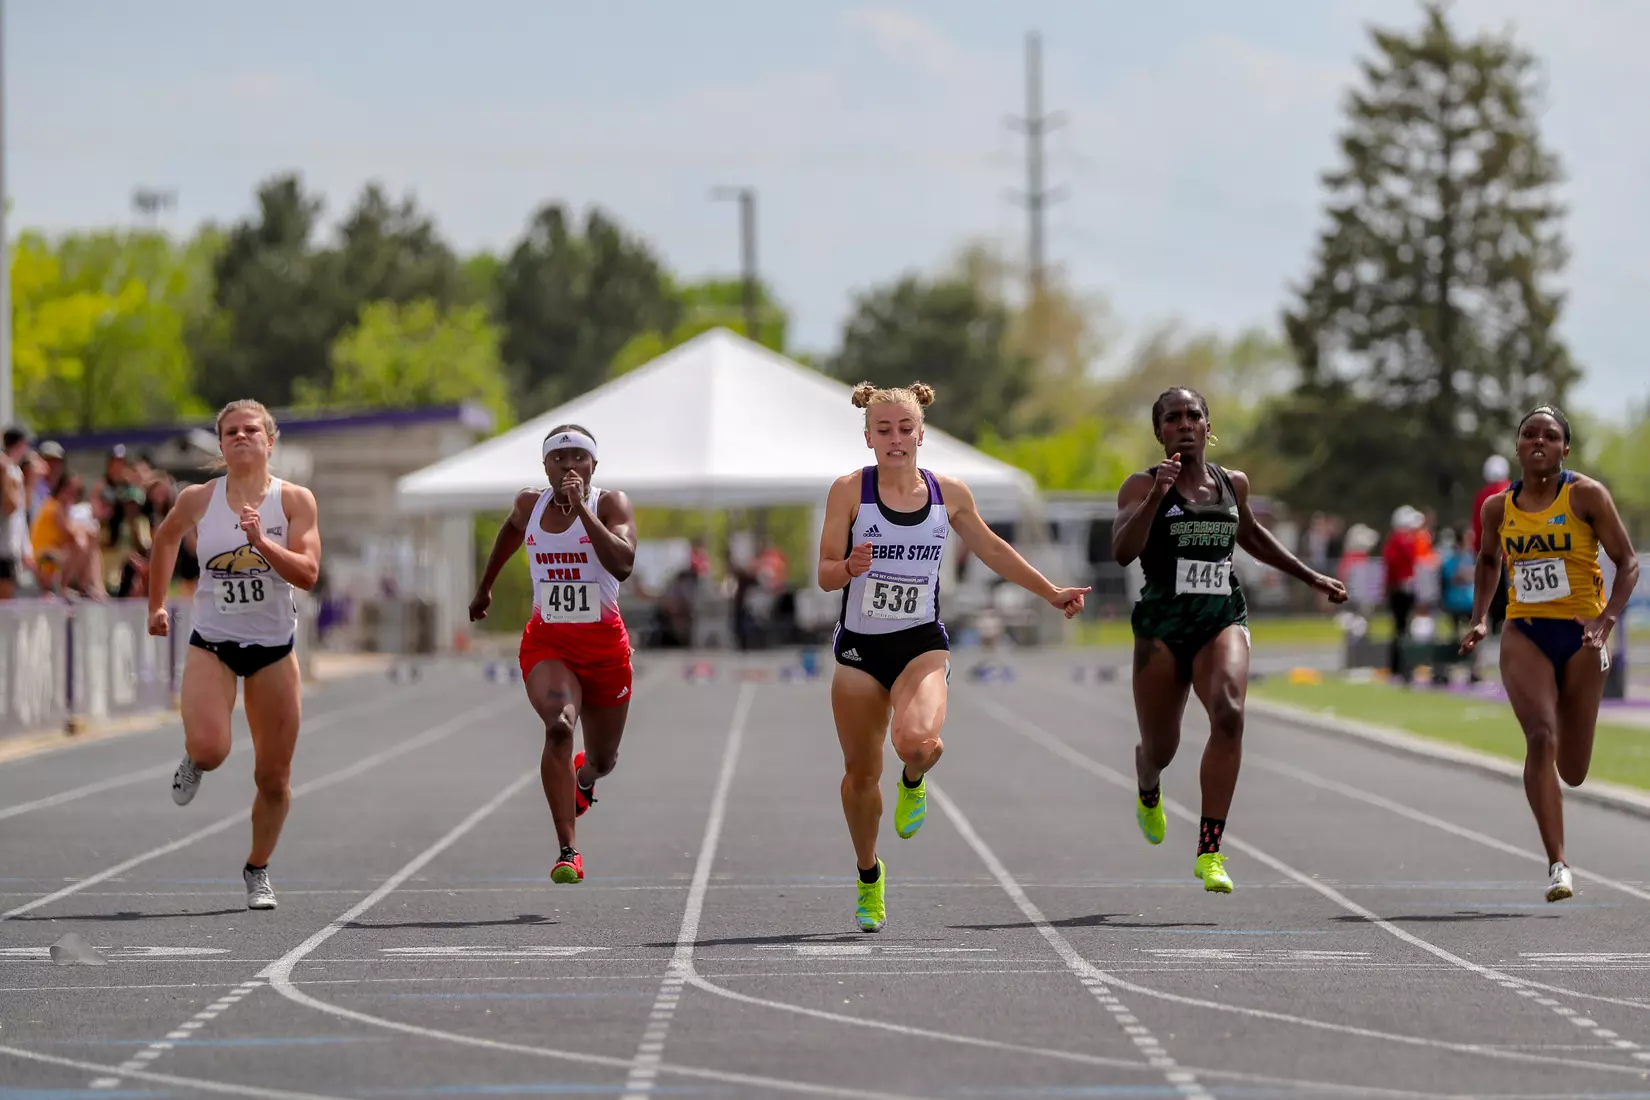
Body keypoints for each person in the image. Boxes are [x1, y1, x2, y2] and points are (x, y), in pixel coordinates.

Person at [819, 381, 1089, 933]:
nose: (896, 439)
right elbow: (823, 573)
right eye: (884, 430)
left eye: (905, 429)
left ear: (921, 433)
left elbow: (993, 549)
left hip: (920, 643)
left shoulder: (950, 494)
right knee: (860, 774)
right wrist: (847, 567)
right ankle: (869, 874)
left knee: (919, 745)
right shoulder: (849, 491)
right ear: (867, 437)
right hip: (859, 648)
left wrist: (1050, 591)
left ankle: (913, 781)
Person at [1112, 388, 1347, 894]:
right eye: (1172, 418)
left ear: (1207, 425)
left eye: (1193, 415)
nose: (1184, 423)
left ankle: (1210, 850)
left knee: (1230, 711)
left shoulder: (1230, 483)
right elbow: (1122, 551)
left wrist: (1312, 577)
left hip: (1221, 616)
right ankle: (1147, 782)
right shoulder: (1141, 485)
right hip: (1161, 625)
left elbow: (1254, 536)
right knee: (1162, 746)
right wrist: (1157, 496)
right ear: (1159, 432)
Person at [146, 400, 321, 911]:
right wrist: (156, 606)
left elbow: (308, 574)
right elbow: (163, 540)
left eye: (251, 430)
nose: (241, 437)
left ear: (270, 441)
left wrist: (261, 542)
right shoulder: (200, 498)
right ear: (220, 445)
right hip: (213, 645)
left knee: (274, 777)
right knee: (210, 749)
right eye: (231, 432)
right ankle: (193, 761)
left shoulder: (294, 501)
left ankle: (257, 868)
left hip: (273, 650)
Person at [1460, 405, 1638, 902]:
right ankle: (1558, 863)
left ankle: (1568, 716)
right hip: (1526, 632)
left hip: (1584, 636)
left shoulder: (1586, 496)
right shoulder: (1497, 508)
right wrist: (1480, 616)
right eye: (1530, 434)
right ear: (1517, 446)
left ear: (1565, 449)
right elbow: (1488, 559)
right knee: (1540, 736)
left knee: (1574, 769)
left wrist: (1607, 621)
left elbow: (1627, 563)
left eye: (1550, 435)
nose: (1539, 441)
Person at [470, 424, 638, 886]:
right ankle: (569, 850)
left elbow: (622, 561)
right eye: (559, 459)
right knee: (560, 727)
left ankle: (585, 780)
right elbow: (510, 531)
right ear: (545, 467)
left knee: (604, 759)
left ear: (593, 466)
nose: (569, 467)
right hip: (550, 644)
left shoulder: (610, 504)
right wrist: (485, 588)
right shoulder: (530, 504)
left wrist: (582, 508)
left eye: (578, 458)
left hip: (605, 650)